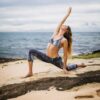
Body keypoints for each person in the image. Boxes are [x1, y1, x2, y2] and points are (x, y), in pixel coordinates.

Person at [25, 7, 86, 77]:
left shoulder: (64, 40)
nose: (63, 24)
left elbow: (65, 55)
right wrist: (67, 14)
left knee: (67, 68)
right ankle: (30, 72)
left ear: (66, 30)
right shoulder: (55, 33)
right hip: (46, 57)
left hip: (55, 60)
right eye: (63, 24)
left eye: (65, 25)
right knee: (30, 51)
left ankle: (78, 65)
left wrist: (64, 68)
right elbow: (61, 22)